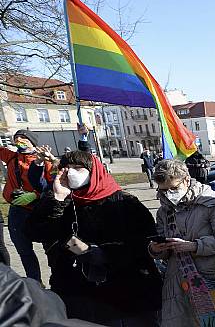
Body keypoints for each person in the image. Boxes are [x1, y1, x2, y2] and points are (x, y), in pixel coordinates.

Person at [26, 150, 163, 326]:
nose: (71, 173)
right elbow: (33, 232)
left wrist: (102, 253)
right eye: (66, 169)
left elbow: (145, 243)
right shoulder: (61, 200)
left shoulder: (124, 203)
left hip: (124, 292)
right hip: (76, 292)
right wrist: (58, 199)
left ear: (94, 171)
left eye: (78, 168)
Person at [148, 159, 215, 326]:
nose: (168, 194)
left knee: (211, 323)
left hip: (206, 278)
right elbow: (163, 248)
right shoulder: (163, 211)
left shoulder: (210, 202)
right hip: (175, 282)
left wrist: (194, 246)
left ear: (186, 179)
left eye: (173, 189)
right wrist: (156, 249)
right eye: (163, 190)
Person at [0, 129, 52, 282]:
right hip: (17, 210)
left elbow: (53, 184)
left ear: (32, 142)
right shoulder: (11, 157)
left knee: (49, 248)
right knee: (24, 251)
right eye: (16, 138)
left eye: (23, 138)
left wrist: (35, 195)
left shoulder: (44, 159)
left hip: (39, 209)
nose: (19, 141)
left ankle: (58, 280)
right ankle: (35, 283)